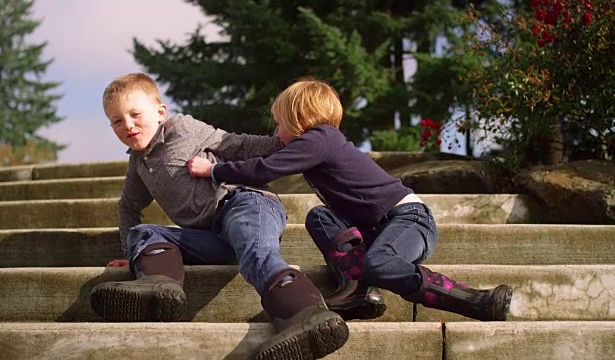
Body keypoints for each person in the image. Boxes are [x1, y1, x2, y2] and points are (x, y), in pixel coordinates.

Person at [188, 78, 513, 322]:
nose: (276, 133)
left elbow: (265, 168)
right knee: (320, 217)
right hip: (376, 226)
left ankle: (477, 301)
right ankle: (357, 289)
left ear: (299, 118)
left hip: (410, 219)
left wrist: (214, 170)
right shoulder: (316, 143)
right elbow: (271, 155)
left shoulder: (321, 138)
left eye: (279, 123)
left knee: (381, 263)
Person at [91, 73, 349, 359]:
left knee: (256, 250)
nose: (127, 125)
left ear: (160, 112)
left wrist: (294, 145)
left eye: (135, 114)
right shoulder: (138, 163)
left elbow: (236, 145)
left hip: (246, 203)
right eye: (116, 121)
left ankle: (305, 314)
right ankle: (158, 285)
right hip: (213, 235)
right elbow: (128, 206)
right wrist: (132, 254)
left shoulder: (183, 128)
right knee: (145, 233)